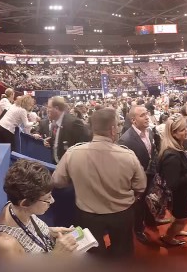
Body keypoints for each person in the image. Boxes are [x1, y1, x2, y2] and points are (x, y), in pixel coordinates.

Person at [52, 108, 146, 259]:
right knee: (122, 255)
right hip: (122, 214)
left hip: (87, 215)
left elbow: (57, 181)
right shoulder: (128, 155)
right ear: (113, 129)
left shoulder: (73, 153)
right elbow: (140, 186)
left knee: (93, 256)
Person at [0, 159, 78, 257]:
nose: (52, 201)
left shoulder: (16, 207)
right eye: (46, 199)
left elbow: (27, 232)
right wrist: (55, 257)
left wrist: (50, 232)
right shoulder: (4, 245)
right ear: (25, 203)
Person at [118, 105, 170, 246]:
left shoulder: (150, 132)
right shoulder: (125, 140)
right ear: (133, 120)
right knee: (138, 206)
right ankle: (139, 230)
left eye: (147, 114)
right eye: (142, 115)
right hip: (136, 181)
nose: (147, 117)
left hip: (150, 176)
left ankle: (151, 220)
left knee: (150, 201)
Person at [158, 113, 187, 246]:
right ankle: (168, 238)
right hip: (178, 196)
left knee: (180, 218)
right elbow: (173, 184)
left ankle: (176, 231)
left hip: (183, 194)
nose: (186, 131)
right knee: (185, 218)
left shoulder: (178, 147)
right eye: (182, 130)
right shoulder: (172, 155)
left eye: (185, 128)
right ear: (173, 133)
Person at [34, 96, 90, 164]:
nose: (47, 110)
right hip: (57, 163)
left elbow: (85, 143)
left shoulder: (73, 122)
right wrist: (49, 141)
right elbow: (59, 141)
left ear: (56, 108)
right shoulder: (55, 122)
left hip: (70, 165)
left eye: (49, 107)